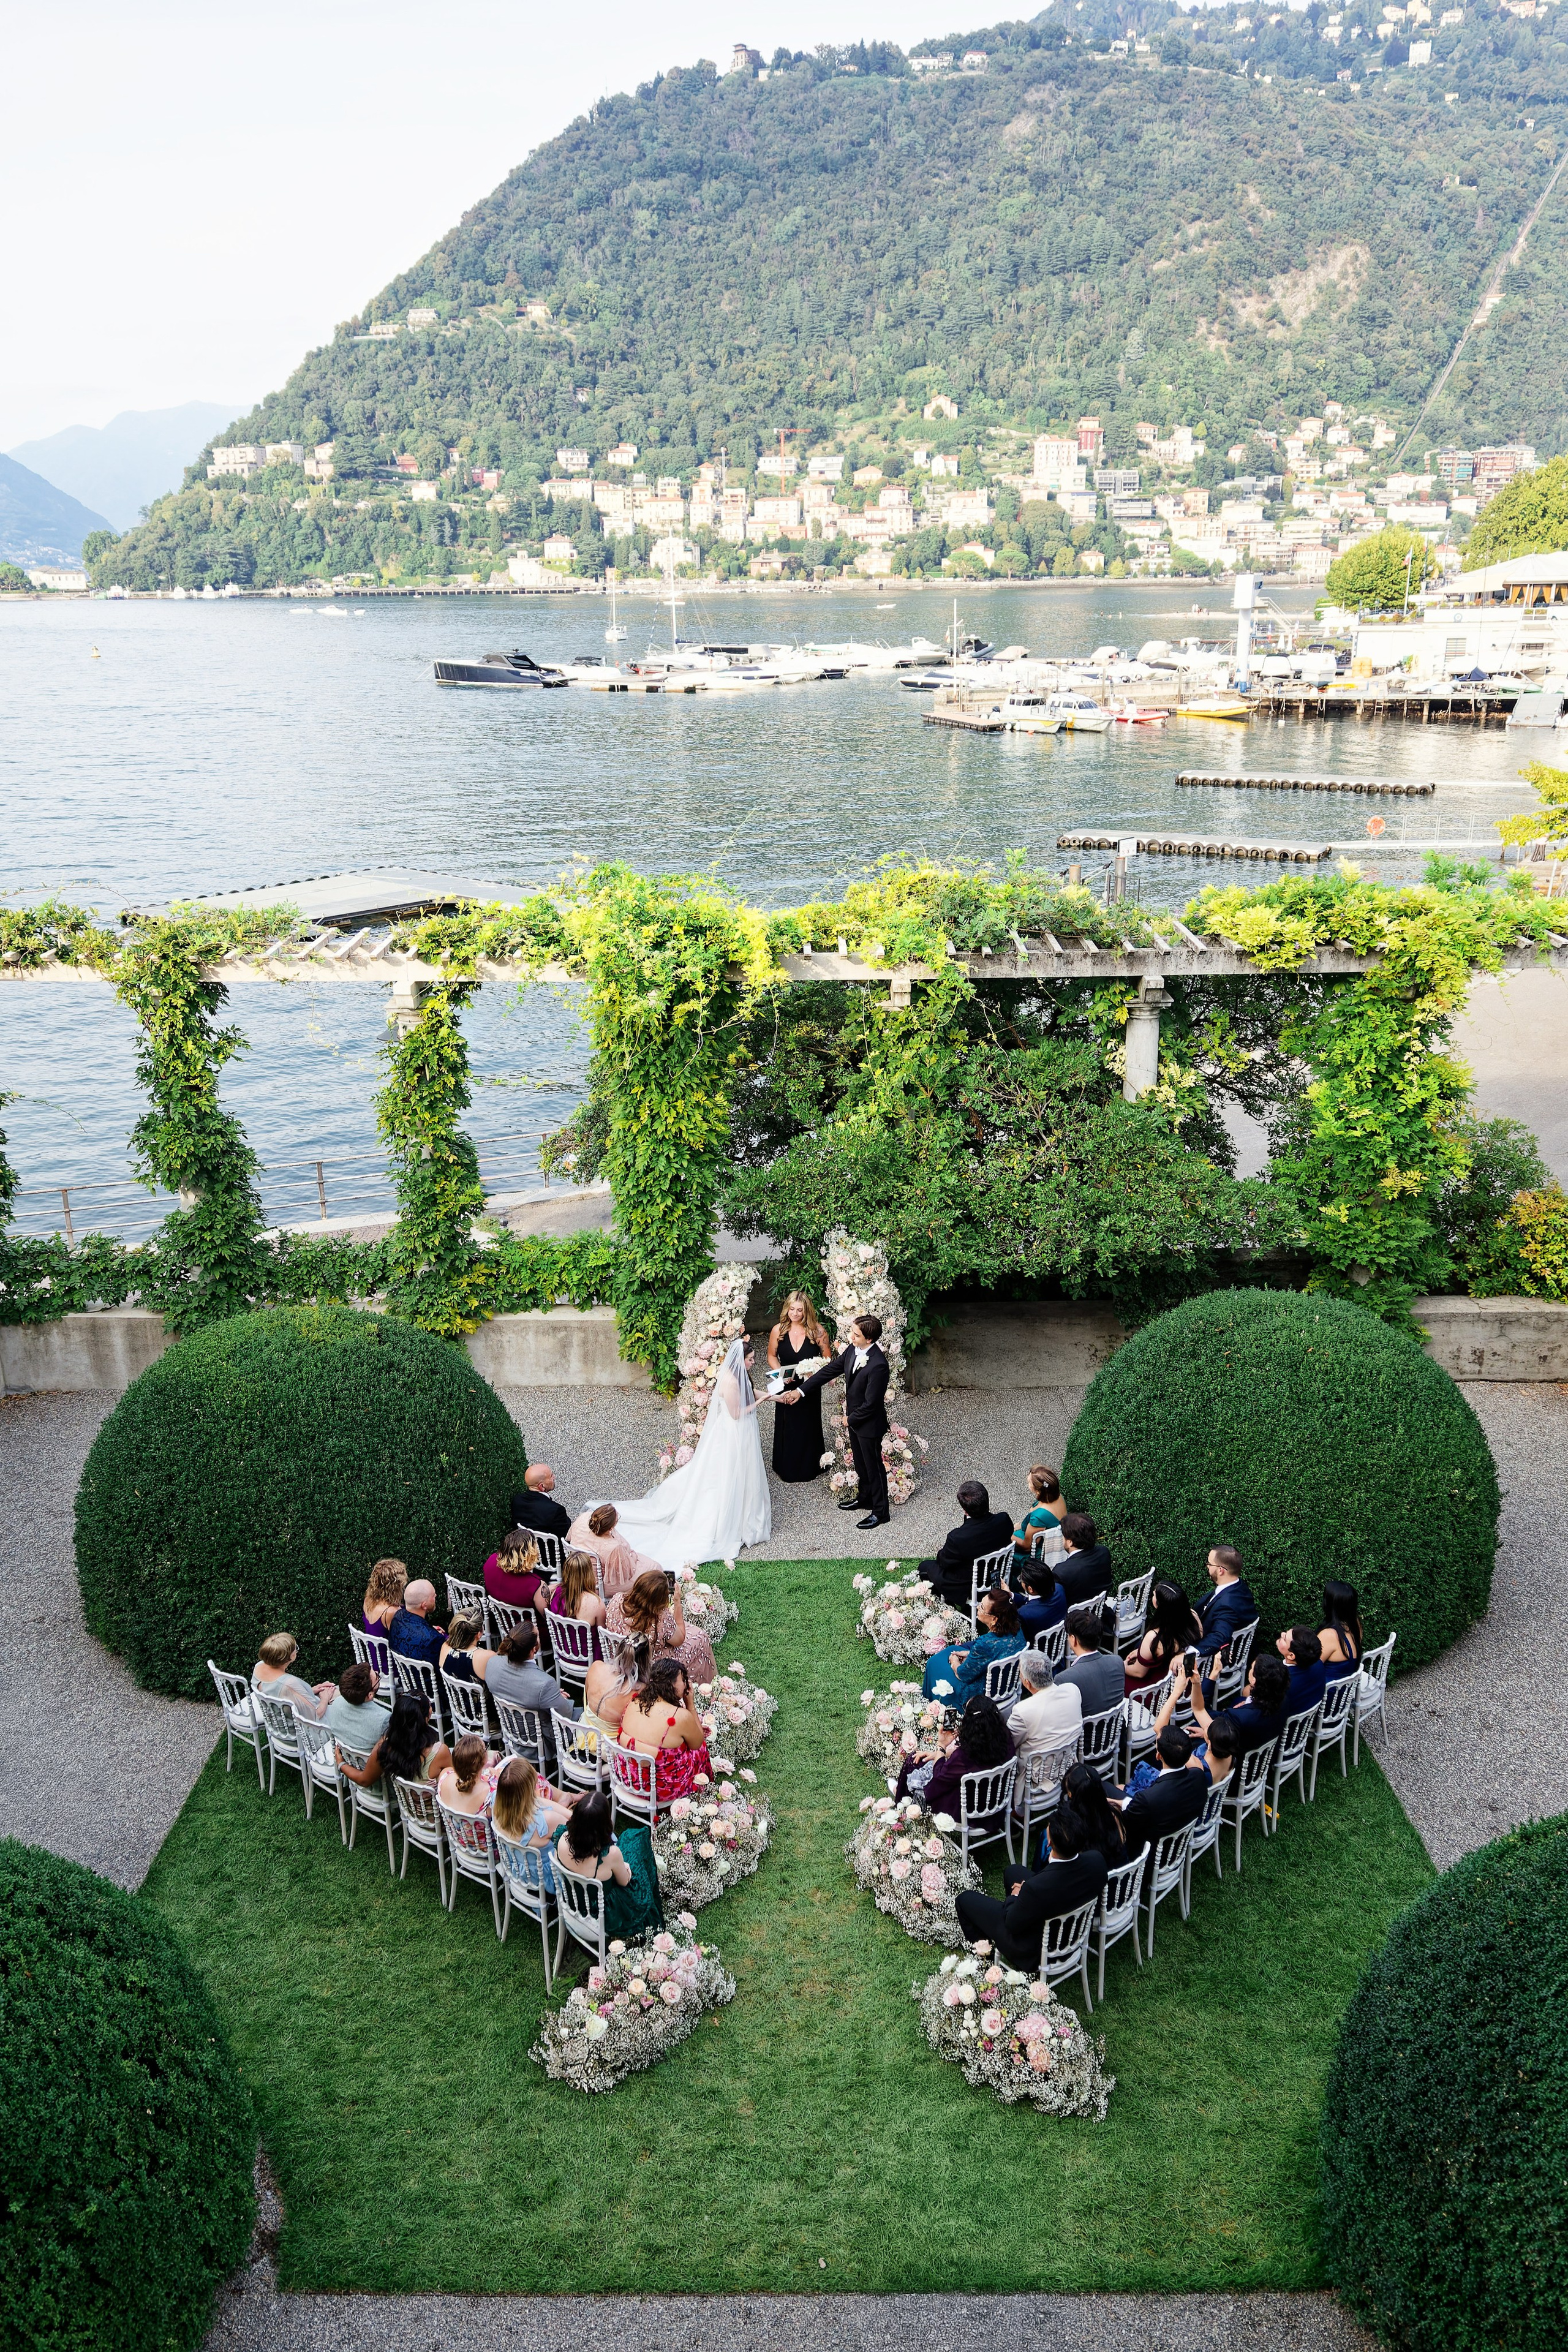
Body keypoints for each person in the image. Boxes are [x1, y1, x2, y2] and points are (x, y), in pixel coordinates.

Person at [583, 1336, 772, 1569]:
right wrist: (763, 1402)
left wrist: (771, 1395)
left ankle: (745, 1516)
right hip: (733, 1434)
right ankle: (727, 1520)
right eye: (751, 1359)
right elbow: (737, 1413)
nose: (754, 1363)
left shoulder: (740, 1377)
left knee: (743, 1472)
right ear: (740, 1361)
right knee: (728, 1474)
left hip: (740, 1434)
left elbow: (751, 1391)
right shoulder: (731, 1383)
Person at [954, 1806, 1108, 1972]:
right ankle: (1024, 1914)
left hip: (1038, 1948)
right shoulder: (1097, 1861)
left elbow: (1011, 1923)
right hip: (1072, 1930)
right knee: (1012, 1872)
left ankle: (986, 1956)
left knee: (964, 1900)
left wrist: (1016, 1896)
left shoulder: (1035, 1889)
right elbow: (1056, 1885)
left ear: (1050, 1844)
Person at [786, 1314, 891, 1529]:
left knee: (874, 1467)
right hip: (854, 1421)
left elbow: (872, 1404)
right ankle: (865, 1498)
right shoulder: (853, 1350)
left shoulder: (879, 1365)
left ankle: (881, 1512)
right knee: (861, 1463)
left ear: (869, 1340)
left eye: (856, 1334)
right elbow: (830, 1371)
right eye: (852, 1331)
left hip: (868, 1423)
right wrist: (801, 1391)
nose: (851, 1336)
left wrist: (849, 1419)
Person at [554, 1788, 664, 1941]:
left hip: (574, 1902)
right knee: (637, 1838)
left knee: (630, 1840)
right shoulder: (610, 1855)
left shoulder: (562, 1839)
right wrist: (627, 1868)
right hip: (603, 1914)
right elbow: (625, 1882)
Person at [894, 1693, 1014, 1815]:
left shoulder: (963, 1757)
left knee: (913, 1762)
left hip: (966, 1809)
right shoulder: (1005, 1738)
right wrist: (937, 1754)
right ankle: (902, 1793)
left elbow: (939, 1775)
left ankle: (903, 1800)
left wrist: (942, 1745)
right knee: (923, 1761)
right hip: (996, 1803)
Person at [617, 1659, 714, 1800]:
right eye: (683, 1679)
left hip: (627, 1777)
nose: (686, 1683)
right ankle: (703, 1790)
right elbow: (697, 1743)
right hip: (659, 1789)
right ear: (672, 1684)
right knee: (700, 1748)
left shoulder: (635, 1701)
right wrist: (690, 1704)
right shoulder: (680, 1716)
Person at [921, 1585, 1025, 1713]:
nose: (977, 1607)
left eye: (982, 1608)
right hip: (1007, 1682)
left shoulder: (985, 1644)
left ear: (994, 1619)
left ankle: (933, 1706)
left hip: (982, 1692)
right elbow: (999, 1653)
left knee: (934, 1663)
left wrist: (954, 1661)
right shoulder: (1017, 1628)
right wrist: (971, 1653)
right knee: (954, 1648)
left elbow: (962, 1674)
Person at [915, 1481, 1016, 1611]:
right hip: (998, 1574)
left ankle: (949, 1608)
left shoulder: (958, 1537)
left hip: (972, 1585)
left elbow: (944, 1563)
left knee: (925, 1567)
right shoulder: (1004, 1519)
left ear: (965, 1510)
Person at [606, 1569, 717, 1686]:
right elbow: (680, 1639)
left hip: (618, 1657)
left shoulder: (617, 1600)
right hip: (649, 1668)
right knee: (701, 1637)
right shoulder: (660, 1619)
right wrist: (677, 1602)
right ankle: (703, 1687)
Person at [767, 1289, 832, 1483]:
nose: (795, 1314)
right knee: (787, 1423)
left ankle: (810, 1465)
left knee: (808, 1423)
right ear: (787, 1309)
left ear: (807, 1312)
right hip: (786, 1383)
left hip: (809, 1385)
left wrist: (816, 1371)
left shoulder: (818, 1331)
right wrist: (780, 1372)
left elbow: (828, 1357)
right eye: (792, 1309)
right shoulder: (778, 1330)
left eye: (800, 1311)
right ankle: (785, 1465)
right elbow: (771, 1356)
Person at [1118, 1724, 1208, 1861]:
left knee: (1111, 1788)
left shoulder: (1149, 1798)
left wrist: (1113, 1802)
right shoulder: (1198, 1776)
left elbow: (1128, 1819)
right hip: (1176, 1845)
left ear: (1159, 1756)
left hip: (1149, 1856)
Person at [336, 1690, 453, 1790]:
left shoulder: (386, 1746)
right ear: (426, 1717)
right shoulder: (440, 1752)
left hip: (407, 1812)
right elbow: (456, 1784)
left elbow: (365, 1780)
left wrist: (341, 1764)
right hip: (438, 1814)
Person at [1185, 1651, 1290, 1759]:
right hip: (1259, 1753)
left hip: (1234, 1763)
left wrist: (1213, 1673)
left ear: (1254, 1680)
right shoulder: (1284, 1701)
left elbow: (1201, 1711)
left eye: (1251, 1668)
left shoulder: (1238, 1718)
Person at [491, 1757, 569, 1893]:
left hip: (517, 1869)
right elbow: (575, 1828)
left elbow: (537, 1802)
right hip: (546, 1880)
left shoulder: (496, 1804)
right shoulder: (545, 1822)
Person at [485, 1618, 581, 1725]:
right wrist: (559, 1698)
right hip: (543, 1737)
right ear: (534, 1649)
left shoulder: (492, 1663)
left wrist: (553, 1696)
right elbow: (566, 1714)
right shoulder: (544, 1684)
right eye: (538, 1636)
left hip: (510, 1729)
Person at [565, 1505, 663, 1599]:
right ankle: (655, 1596)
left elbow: (569, 1538)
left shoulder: (583, 1518)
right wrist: (632, 1556)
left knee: (644, 1561)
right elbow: (625, 1573)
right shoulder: (613, 1548)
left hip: (577, 1573)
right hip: (597, 1585)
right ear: (611, 1528)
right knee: (655, 1568)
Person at [1123, 1580, 1203, 1695]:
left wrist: (1120, 1665)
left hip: (1157, 1693)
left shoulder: (1155, 1637)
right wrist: (1142, 1653)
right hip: (1188, 1691)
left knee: (1114, 1681)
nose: (1152, 1595)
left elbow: (1138, 1673)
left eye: (1154, 1595)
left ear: (1159, 1605)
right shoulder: (1193, 1617)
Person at [1008, 1650, 1084, 1765]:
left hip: (1037, 1776)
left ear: (1027, 1683)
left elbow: (1009, 1744)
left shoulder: (1022, 1711)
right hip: (1067, 1765)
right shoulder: (1072, 1690)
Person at [1057, 1602, 1126, 1719]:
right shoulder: (1118, 1661)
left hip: (1086, 1736)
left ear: (1073, 1640)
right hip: (1117, 1731)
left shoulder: (1064, 1678)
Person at [1194, 1546, 1259, 1669]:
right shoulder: (1240, 1588)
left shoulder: (1228, 1604)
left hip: (1214, 1661)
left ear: (1220, 1570)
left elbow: (1219, 1636)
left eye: (1209, 1563)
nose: (1207, 1566)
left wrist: (1192, 1651)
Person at [250, 1632, 334, 1719]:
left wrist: (309, 1691)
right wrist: (325, 1698)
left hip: (277, 1723)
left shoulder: (259, 1666)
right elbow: (316, 1715)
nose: (296, 1650)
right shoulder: (289, 1684)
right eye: (295, 1648)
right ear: (289, 1656)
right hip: (301, 1729)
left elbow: (280, 1694)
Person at [1061, 1761, 1128, 1866]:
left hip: (1095, 1879)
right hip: (1122, 1877)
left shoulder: (1073, 1828)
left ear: (1071, 1794)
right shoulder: (1114, 1813)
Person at [547, 1549, 608, 1660]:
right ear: (588, 1574)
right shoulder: (596, 1603)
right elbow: (603, 1636)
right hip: (589, 1660)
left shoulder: (556, 1592)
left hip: (563, 1653)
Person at [581, 1642, 648, 1740]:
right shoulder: (641, 1690)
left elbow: (585, 1699)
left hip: (582, 1732)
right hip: (609, 1748)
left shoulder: (596, 1666)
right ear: (645, 1661)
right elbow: (635, 1727)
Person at [323, 1659, 391, 1751]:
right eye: (377, 1677)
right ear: (370, 1695)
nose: (377, 1672)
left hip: (345, 1758)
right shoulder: (384, 1718)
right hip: (367, 1764)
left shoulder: (336, 1704)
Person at [483, 1529, 548, 1616]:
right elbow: (547, 1617)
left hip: (501, 1620)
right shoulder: (536, 1585)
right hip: (528, 1628)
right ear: (529, 1555)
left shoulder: (491, 1561)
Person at [1055, 1514, 1115, 1610]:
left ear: (1070, 1542)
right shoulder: (1104, 1552)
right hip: (1103, 1615)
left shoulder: (1061, 1571)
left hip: (1076, 1622)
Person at [436, 1732, 500, 1819]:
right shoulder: (490, 1794)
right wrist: (499, 1778)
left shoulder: (444, 1776)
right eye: (485, 1748)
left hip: (454, 1831)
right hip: (482, 1832)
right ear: (484, 1761)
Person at [1012, 1464, 1067, 1564]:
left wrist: (1008, 1535)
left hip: (1040, 1552)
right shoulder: (1058, 1497)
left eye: (1029, 1482)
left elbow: (1027, 1547)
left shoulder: (1040, 1517)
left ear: (1038, 1491)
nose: (1027, 1482)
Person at [387, 1580, 446, 1667]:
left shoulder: (397, 1617)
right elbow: (442, 1669)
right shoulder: (433, 1639)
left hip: (404, 1677)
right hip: (426, 1680)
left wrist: (430, 1630)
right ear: (424, 1606)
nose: (436, 1596)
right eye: (433, 1596)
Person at [1276, 1626, 1333, 1715]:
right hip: (1306, 1718)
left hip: (1287, 1724)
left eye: (1284, 1639)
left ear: (1291, 1656)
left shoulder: (1281, 1681)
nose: (1282, 1634)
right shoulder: (1318, 1664)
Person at [1009, 1556, 1068, 1643]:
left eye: (1021, 1579)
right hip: (1059, 1644)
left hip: (1038, 1652)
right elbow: (1033, 1603)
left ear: (1030, 1589)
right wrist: (1011, 1595)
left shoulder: (1023, 1614)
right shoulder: (1059, 1590)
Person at [510, 1463, 572, 1543]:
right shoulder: (556, 1510)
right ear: (542, 1487)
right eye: (551, 1476)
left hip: (527, 1550)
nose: (554, 1477)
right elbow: (567, 1535)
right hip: (551, 1553)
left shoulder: (517, 1500)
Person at [1317, 1580, 1364, 1682]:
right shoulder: (1356, 1624)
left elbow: (1311, 1669)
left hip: (1330, 1693)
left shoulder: (1329, 1635)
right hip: (1347, 1688)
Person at [439, 1611, 497, 1689]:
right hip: (483, 1700)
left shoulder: (445, 1647)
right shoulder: (487, 1657)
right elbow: (500, 1685)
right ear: (479, 1634)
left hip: (455, 1700)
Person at [360, 1558, 407, 1635]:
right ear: (395, 1587)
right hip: (385, 1647)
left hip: (371, 1646)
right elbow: (406, 1639)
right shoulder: (391, 1612)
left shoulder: (368, 1599)